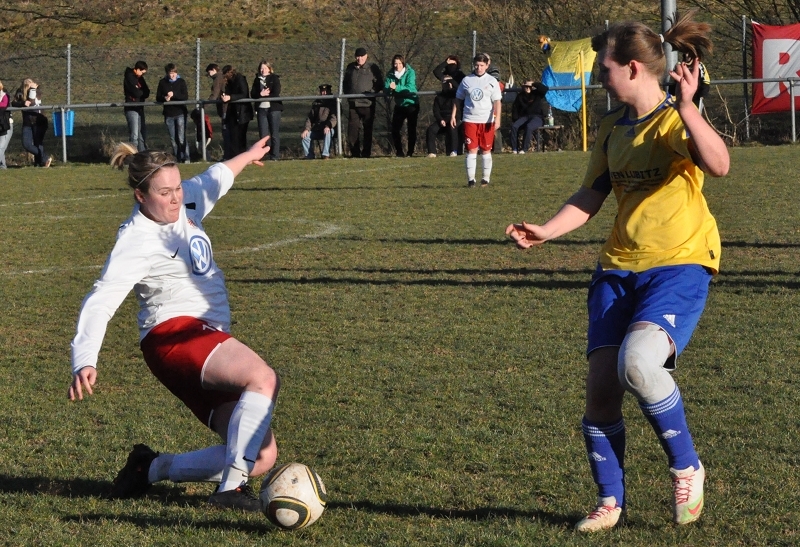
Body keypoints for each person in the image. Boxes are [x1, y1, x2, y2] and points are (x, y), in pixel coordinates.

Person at [505, 10, 728, 532]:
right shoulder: (610, 127)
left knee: (638, 363)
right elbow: (592, 194)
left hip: (679, 264)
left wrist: (689, 107)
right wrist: (546, 230)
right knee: (602, 390)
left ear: (631, 69)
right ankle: (610, 502)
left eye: (603, 69)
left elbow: (718, 164)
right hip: (618, 269)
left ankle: (686, 465)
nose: (598, 78)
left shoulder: (673, 121)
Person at [68, 135, 278, 512]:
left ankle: (152, 467)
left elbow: (216, 177)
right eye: (165, 193)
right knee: (262, 378)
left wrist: (246, 156)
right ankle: (230, 490)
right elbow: (101, 299)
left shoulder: (186, 200)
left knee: (259, 454)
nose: (176, 198)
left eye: (178, 187)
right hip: (172, 336)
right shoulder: (135, 239)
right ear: (141, 197)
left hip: (206, 337)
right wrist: (84, 358)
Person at [451, 53, 502, 187]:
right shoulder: (467, 80)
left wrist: (498, 119)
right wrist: (453, 115)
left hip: (487, 121)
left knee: (486, 150)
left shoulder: (492, 81)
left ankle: (485, 179)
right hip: (470, 119)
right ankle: (471, 180)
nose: (479, 68)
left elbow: (497, 101)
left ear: (487, 65)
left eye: (481, 65)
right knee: (471, 149)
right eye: (477, 65)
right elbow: (458, 99)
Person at [343, 47, 384, 158]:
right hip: (353, 104)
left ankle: (366, 153)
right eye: (357, 56)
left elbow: (379, 83)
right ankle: (355, 153)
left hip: (367, 104)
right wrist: (347, 94)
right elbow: (345, 83)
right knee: (352, 130)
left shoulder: (372, 67)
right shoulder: (350, 67)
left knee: (367, 130)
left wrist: (372, 92)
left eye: (361, 56)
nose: (359, 58)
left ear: (366, 56)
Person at [385, 54, 419, 158]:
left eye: (399, 63)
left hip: (411, 104)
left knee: (411, 129)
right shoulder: (390, 74)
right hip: (399, 105)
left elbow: (409, 88)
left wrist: (396, 88)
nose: (397, 65)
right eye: (395, 63)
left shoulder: (410, 72)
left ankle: (410, 152)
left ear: (403, 63)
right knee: (395, 129)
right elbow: (386, 89)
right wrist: (390, 89)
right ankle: (399, 152)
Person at [12, 78, 51, 168]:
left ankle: (39, 164)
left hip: (39, 121)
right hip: (27, 122)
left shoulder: (37, 92)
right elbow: (14, 103)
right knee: (27, 144)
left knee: (38, 142)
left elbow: (32, 101)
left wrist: (33, 89)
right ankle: (45, 158)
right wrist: (22, 103)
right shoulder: (20, 92)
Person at [156, 63, 190, 163]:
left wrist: (174, 95)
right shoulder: (162, 82)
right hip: (168, 114)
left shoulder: (181, 82)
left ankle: (186, 157)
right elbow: (158, 97)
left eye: (174, 73)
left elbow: (185, 96)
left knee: (181, 137)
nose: (172, 75)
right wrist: (165, 98)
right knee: (173, 138)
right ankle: (177, 158)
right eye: (170, 73)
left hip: (180, 113)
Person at [250, 60, 282, 160]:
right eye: (261, 68)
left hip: (273, 109)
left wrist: (266, 95)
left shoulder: (274, 78)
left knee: (274, 133)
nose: (262, 70)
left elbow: (276, 92)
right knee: (263, 134)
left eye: (265, 68)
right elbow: (253, 94)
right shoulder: (257, 80)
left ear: (269, 68)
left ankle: (275, 156)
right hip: (261, 109)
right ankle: (264, 153)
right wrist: (261, 95)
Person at [221, 65, 253, 157]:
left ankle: (241, 156)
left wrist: (230, 97)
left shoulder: (240, 79)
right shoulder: (229, 82)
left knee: (240, 137)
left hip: (242, 112)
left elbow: (244, 93)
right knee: (234, 137)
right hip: (233, 113)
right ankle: (235, 156)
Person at [509, 80, 549, 154]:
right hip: (525, 117)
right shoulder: (520, 96)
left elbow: (545, 89)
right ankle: (514, 148)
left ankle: (524, 149)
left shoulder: (537, 94)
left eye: (529, 87)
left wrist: (533, 83)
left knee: (529, 126)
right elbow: (515, 108)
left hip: (537, 117)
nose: (527, 88)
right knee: (514, 126)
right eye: (525, 87)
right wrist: (515, 119)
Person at [426, 75, 459, 157]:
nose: (447, 84)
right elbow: (436, 111)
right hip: (442, 119)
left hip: (454, 118)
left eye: (448, 82)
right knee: (431, 129)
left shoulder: (456, 95)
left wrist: (451, 81)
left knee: (452, 128)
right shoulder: (438, 97)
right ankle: (432, 152)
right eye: (444, 82)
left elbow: (458, 87)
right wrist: (440, 119)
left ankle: (453, 151)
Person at [301, 83, 337, 159]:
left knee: (328, 132)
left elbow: (334, 118)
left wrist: (328, 126)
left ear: (329, 91)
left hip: (330, 129)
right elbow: (310, 118)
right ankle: (309, 156)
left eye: (326, 91)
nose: (324, 93)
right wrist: (307, 129)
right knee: (305, 136)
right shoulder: (316, 103)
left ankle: (325, 154)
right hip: (318, 129)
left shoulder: (334, 103)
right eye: (322, 91)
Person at [123, 61, 149, 152]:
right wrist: (140, 92)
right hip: (132, 107)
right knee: (134, 135)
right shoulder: (129, 77)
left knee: (142, 134)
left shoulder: (140, 79)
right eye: (141, 72)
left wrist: (140, 92)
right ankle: (133, 154)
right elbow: (135, 92)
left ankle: (143, 154)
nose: (142, 75)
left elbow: (147, 92)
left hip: (140, 108)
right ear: (137, 69)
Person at [206, 63, 230, 159]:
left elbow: (214, 94)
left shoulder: (217, 78)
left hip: (224, 108)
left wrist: (204, 105)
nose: (209, 75)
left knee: (226, 131)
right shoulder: (222, 77)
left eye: (209, 72)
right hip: (225, 107)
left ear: (213, 70)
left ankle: (227, 155)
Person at [0, 80, 12, 169]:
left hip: (5, 124)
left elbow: (4, 105)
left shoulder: (4, 95)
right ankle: (3, 166)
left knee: (1, 147)